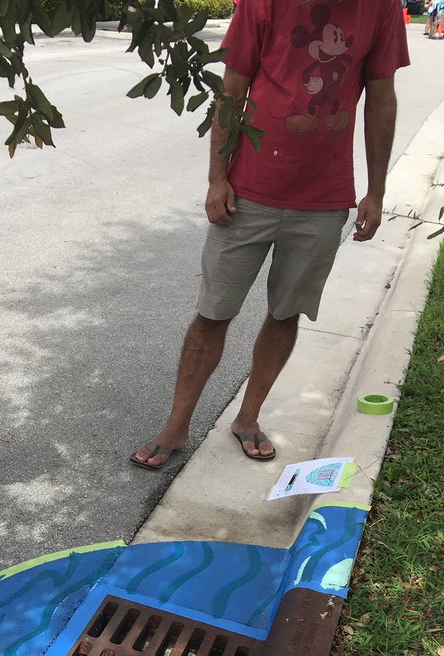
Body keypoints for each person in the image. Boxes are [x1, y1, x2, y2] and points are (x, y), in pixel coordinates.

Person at [131, 0, 409, 470]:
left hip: (324, 199)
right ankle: (176, 426)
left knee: (285, 313)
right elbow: (232, 90)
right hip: (248, 192)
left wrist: (376, 191)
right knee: (212, 315)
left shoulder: (381, 7)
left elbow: (382, 99)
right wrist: (217, 178)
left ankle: (248, 418)